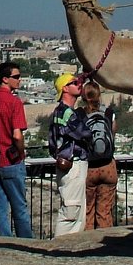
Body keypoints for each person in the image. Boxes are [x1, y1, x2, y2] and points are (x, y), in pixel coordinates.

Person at [0, 61, 32, 238]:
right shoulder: (14, 102)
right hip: (11, 160)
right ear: (5, 79)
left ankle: (4, 240)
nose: (20, 80)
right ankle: (26, 241)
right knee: (19, 207)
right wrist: (20, 153)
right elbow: (17, 135)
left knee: (0, 208)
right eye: (16, 77)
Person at [49, 73, 91, 236]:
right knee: (72, 210)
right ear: (65, 88)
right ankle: (61, 244)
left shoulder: (60, 112)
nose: (79, 85)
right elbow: (85, 133)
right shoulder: (66, 113)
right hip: (74, 163)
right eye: (74, 83)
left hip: (68, 163)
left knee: (74, 208)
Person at [80, 80, 118, 230]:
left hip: (89, 167)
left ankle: (88, 244)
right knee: (105, 212)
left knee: (87, 211)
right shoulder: (108, 112)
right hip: (108, 165)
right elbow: (113, 131)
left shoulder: (79, 114)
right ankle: (106, 243)